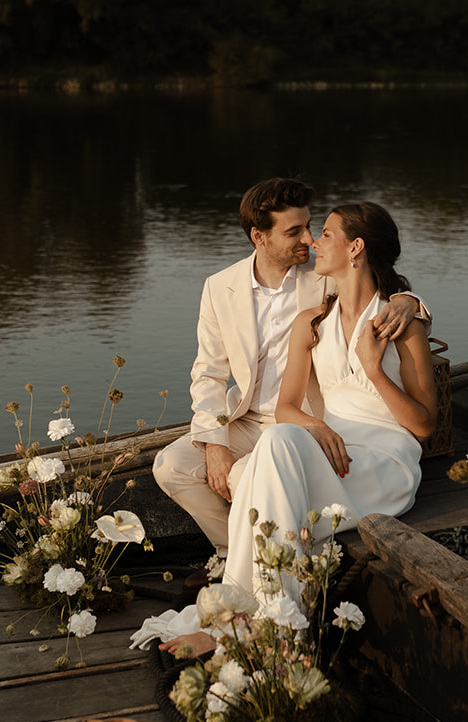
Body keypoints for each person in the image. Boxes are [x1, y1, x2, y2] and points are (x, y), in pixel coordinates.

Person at [152, 179, 427, 558]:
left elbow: (376, 280)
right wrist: (214, 444)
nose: (309, 239)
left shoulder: (323, 275)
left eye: (311, 227)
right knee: (171, 467)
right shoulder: (220, 287)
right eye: (294, 231)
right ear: (258, 236)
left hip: (311, 420)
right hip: (247, 419)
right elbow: (209, 375)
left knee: (251, 473)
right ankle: (235, 555)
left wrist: (411, 301)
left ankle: (268, 557)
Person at [221, 201, 437, 596]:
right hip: (333, 451)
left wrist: (374, 370)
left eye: (325, 235)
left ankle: (247, 601)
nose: (314, 243)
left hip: (385, 463)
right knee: (258, 460)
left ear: (356, 248)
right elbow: (287, 407)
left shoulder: (401, 323)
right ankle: (271, 602)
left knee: (263, 465)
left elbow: (424, 425)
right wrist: (317, 427)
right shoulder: (311, 322)